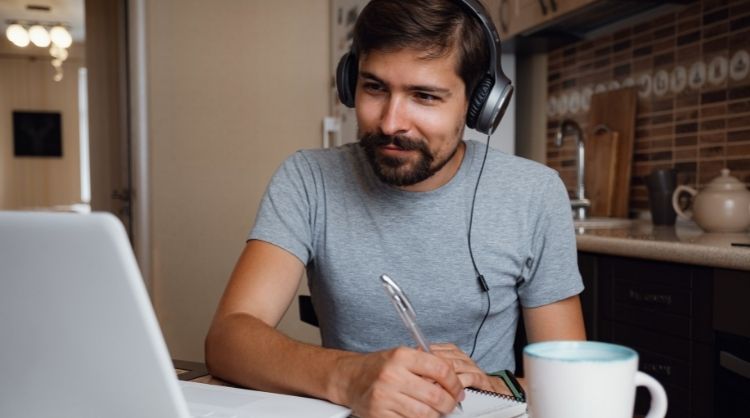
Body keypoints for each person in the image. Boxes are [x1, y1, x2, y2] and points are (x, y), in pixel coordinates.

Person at [205, 1, 586, 417]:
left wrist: (496, 385)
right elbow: (228, 338)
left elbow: (574, 378)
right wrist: (353, 377)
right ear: (351, 82)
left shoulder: (534, 193)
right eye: (375, 88)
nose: (390, 122)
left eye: (424, 96)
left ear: (478, 104)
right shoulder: (308, 179)